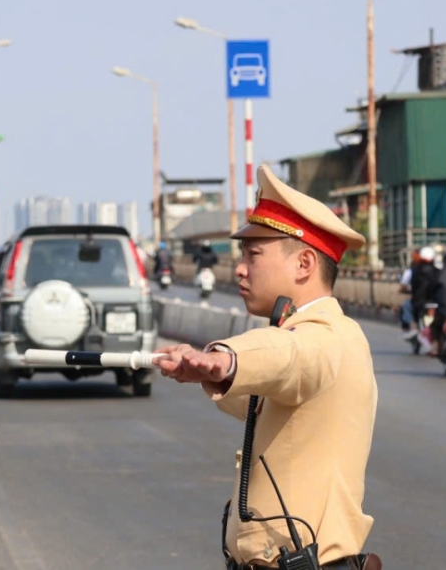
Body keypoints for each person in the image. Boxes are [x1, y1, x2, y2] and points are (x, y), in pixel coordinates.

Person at [156, 165, 380, 570]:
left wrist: (226, 359)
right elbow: (265, 390)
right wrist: (210, 372)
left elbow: (289, 356)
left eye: (253, 254)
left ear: (304, 264)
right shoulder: (305, 337)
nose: (240, 268)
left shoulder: (329, 337)